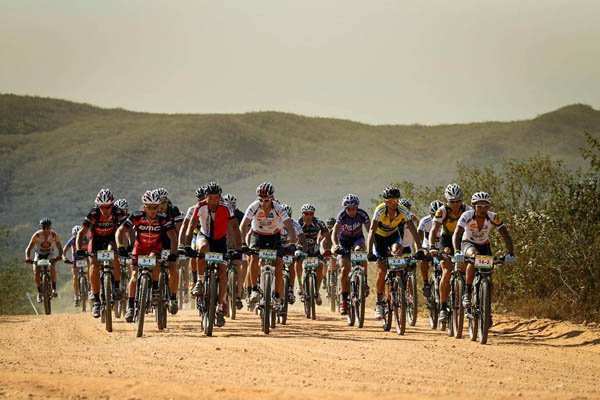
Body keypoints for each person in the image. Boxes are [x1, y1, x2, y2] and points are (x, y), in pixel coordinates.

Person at [183, 182, 242, 327]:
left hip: (220, 241)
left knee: (222, 272)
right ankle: (200, 281)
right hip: (204, 236)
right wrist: (186, 245)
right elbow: (191, 225)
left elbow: (234, 227)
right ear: (206, 197)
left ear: (220, 197)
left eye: (216, 198)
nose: (213, 201)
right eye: (210, 198)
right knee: (202, 248)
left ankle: (220, 306)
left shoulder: (227, 206)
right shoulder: (200, 206)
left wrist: (238, 248)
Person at [116, 189, 178, 322]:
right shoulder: (136, 216)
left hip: (155, 248)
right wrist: (120, 246)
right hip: (139, 248)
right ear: (145, 207)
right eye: (150, 208)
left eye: (155, 207)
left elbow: (172, 236)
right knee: (134, 276)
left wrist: (173, 253)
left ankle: (155, 287)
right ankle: (130, 307)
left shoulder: (163, 218)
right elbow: (120, 231)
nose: (153, 211)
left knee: (155, 263)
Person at [239, 182, 297, 312]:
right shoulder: (254, 206)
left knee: (279, 262)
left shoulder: (278, 208)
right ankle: (254, 289)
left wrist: (292, 244)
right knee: (253, 258)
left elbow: (290, 227)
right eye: (260, 200)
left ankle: (276, 295)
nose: (263, 203)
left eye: (266, 200)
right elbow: (243, 226)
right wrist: (243, 243)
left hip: (274, 236)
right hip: (257, 235)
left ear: (272, 198)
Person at [367, 187, 422, 319]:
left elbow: (413, 229)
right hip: (379, 238)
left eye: (396, 200)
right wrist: (369, 252)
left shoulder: (402, 210)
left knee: (397, 253)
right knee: (382, 270)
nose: (394, 203)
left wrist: (420, 249)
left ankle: (398, 286)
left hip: (393, 236)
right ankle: (379, 303)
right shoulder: (380, 210)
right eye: (391, 200)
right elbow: (372, 231)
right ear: (386, 201)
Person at [452, 191, 515, 308]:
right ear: (474, 206)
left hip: (484, 245)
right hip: (468, 243)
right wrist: (457, 251)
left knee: (488, 277)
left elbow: (506, 235)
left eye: (486, 206)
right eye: (479, 206)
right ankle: (467, 292)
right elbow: (456, 234)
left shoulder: (493, 217)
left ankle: (486, 308)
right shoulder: (466, 216)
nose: (482, 209)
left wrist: (510, 253)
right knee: (474, 257)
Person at [76, 188, 126, 318]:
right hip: (96, 240)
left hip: (111, 239)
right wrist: (78, 249)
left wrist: (127, 246)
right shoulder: (94, 213)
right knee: (93, 265)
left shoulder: (118, 212)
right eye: (102, 207)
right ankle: (97, 301)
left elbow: (127, 229)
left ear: (112, 205)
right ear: (98, 206)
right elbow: (81, 232)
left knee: (113, 254)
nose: (105, 210)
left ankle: (116, 286)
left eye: (108, 207)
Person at [428, 183, 471, 322]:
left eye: (458, 201)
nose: (456, 204)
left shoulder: (468, 210)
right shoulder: (442, 211)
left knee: (467, 267)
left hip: (462, 240)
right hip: (446, 241)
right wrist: (432, 246)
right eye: (452, 202)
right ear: (447, 201)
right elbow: (434, 230)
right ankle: (442, 307)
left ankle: (467, 296)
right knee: (446, 271)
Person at [331, 194, 370, 315]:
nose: (352, 211)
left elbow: (370, 231)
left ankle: (364, 282)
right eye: (349, 209)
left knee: (361, 251)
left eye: (354, 208)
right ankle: (344, 300)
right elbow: (334, 233)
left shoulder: (362, 214)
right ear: (345, 208)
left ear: (357, 207)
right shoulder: (341, 215)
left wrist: (372, 246)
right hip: (344, 242)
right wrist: (336, 245)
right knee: (344, 270)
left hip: (358, 239)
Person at [155, 188, 184, 314]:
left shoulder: (174, 210)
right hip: (156, 241)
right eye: (158, 202)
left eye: (163, 202)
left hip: (171, 241)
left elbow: (179, 230)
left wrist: (179, 247)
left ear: (167, 201)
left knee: (173, 267)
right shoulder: (152, 211)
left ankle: (173, 297)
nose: (161, 205)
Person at [297, 203, 332, 305]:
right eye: (306, 213)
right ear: (302, 214)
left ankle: (317, 291)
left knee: (320, 265)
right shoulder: (298, 223)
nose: (308, 216)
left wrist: (326, 249)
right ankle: (299, 285)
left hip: (314, 248)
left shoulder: (319, 223)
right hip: (301, 247)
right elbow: (293, 236)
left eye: (311, 214)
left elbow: (327, 236)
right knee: (297, 260)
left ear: (313, 214)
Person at [24, 218, 63, 302]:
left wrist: (60, 256)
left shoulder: (54, 235)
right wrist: (27, 257)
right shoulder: (36, 235)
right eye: (44, 228)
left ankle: (54, 289)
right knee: (36, 271)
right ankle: (39, 292)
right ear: (42, 228)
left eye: (48, 228)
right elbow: (28, 248)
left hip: (49, 254)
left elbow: (59, 247)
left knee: (52, 266)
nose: (46, 230)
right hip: (39, 254)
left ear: (50, 227)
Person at [179, 187, 205, 300]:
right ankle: (194, 280)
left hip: (208, 235)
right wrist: (182, 244)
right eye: (199, 198)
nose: (201, 200)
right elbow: (185, 226)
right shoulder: (192, 209)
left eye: (203, 197)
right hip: (196, 234)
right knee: (194, 250)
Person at [223, 193, 249, 310]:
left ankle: (238, 294)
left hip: (238, 244)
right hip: (224, 243)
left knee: (241, 265)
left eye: (232, 204)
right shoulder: (221, 213)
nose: (231, 207)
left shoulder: (240, 215)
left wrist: (244, 244)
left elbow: (245, 230)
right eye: (228, 204)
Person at [279, 203, 307, 304]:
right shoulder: (276, 223)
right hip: (278, 246)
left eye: (288, 215)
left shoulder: (295, 224)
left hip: (290, 247)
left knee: (291, 265)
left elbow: (302, 238)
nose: (286, 217)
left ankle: (290, 289)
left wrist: (303, 251)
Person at [417, 200, 444, 298]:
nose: (436, 217)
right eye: (433, 214)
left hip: (442, 247)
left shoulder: (447, 220)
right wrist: (420, 249)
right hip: (428, 246)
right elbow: (419, 235)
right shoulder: (425, 221)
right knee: (424, 258)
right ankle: (426, 283)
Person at [63, 225, 90, 306]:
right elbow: (64, 250)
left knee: (90, 269)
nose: (79, 238)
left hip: (86, 256)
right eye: (76, 236)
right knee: (75, 276)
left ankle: (90, 287)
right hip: (76, 258)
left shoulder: (88, 239)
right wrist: (64, 257)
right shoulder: (72, 240)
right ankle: (76, 297)